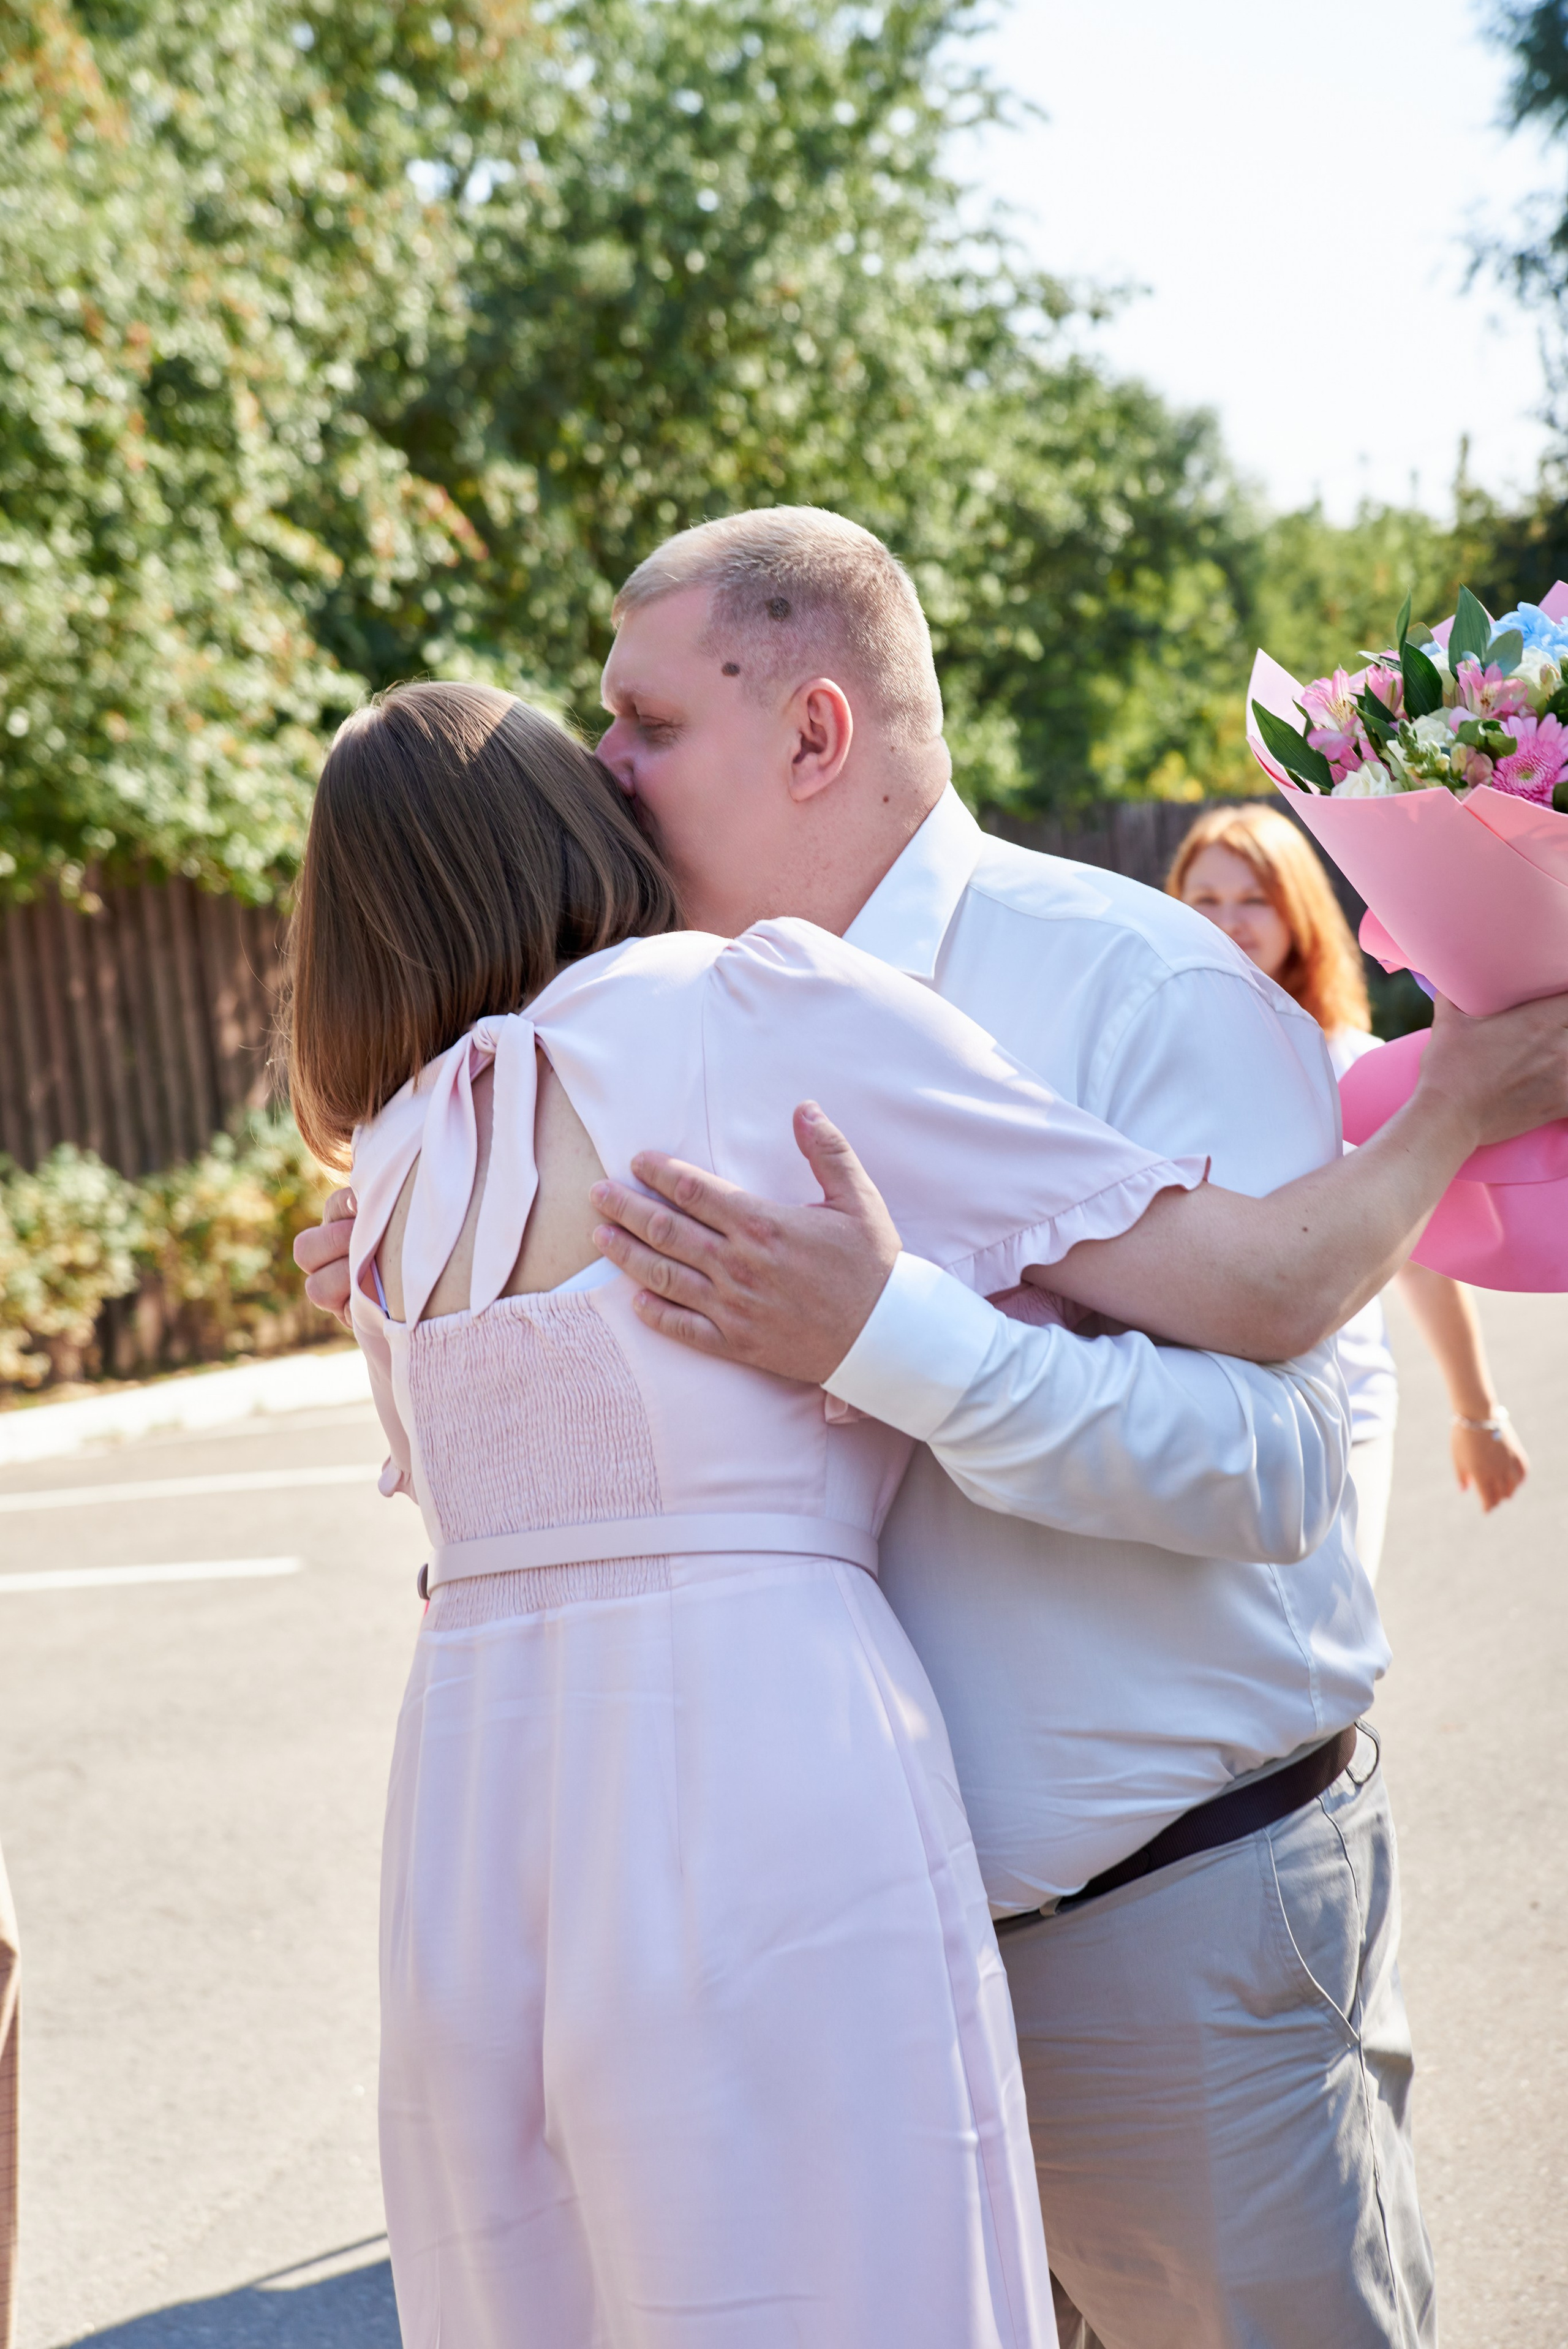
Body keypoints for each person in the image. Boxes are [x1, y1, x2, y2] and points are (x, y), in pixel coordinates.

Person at [295, 510, 1568, 2349]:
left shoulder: (1134, 980)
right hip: (799, 1986)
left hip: (1154, 1952)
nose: (605, 765)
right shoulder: (568, 1075)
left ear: (813, 731)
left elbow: (1282, 1462)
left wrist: (891, 1337)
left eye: (646, 721)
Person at [1167, 801, 1529, 1580]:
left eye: (1254, 899)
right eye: (1206, 899)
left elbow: (1418, 1257)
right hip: (1193, 1422)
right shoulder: (1151, 1060)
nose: (1227, 920)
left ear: (1298, 912)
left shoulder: (1355, 1067)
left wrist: (1477, 1412)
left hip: (1341, 1416)